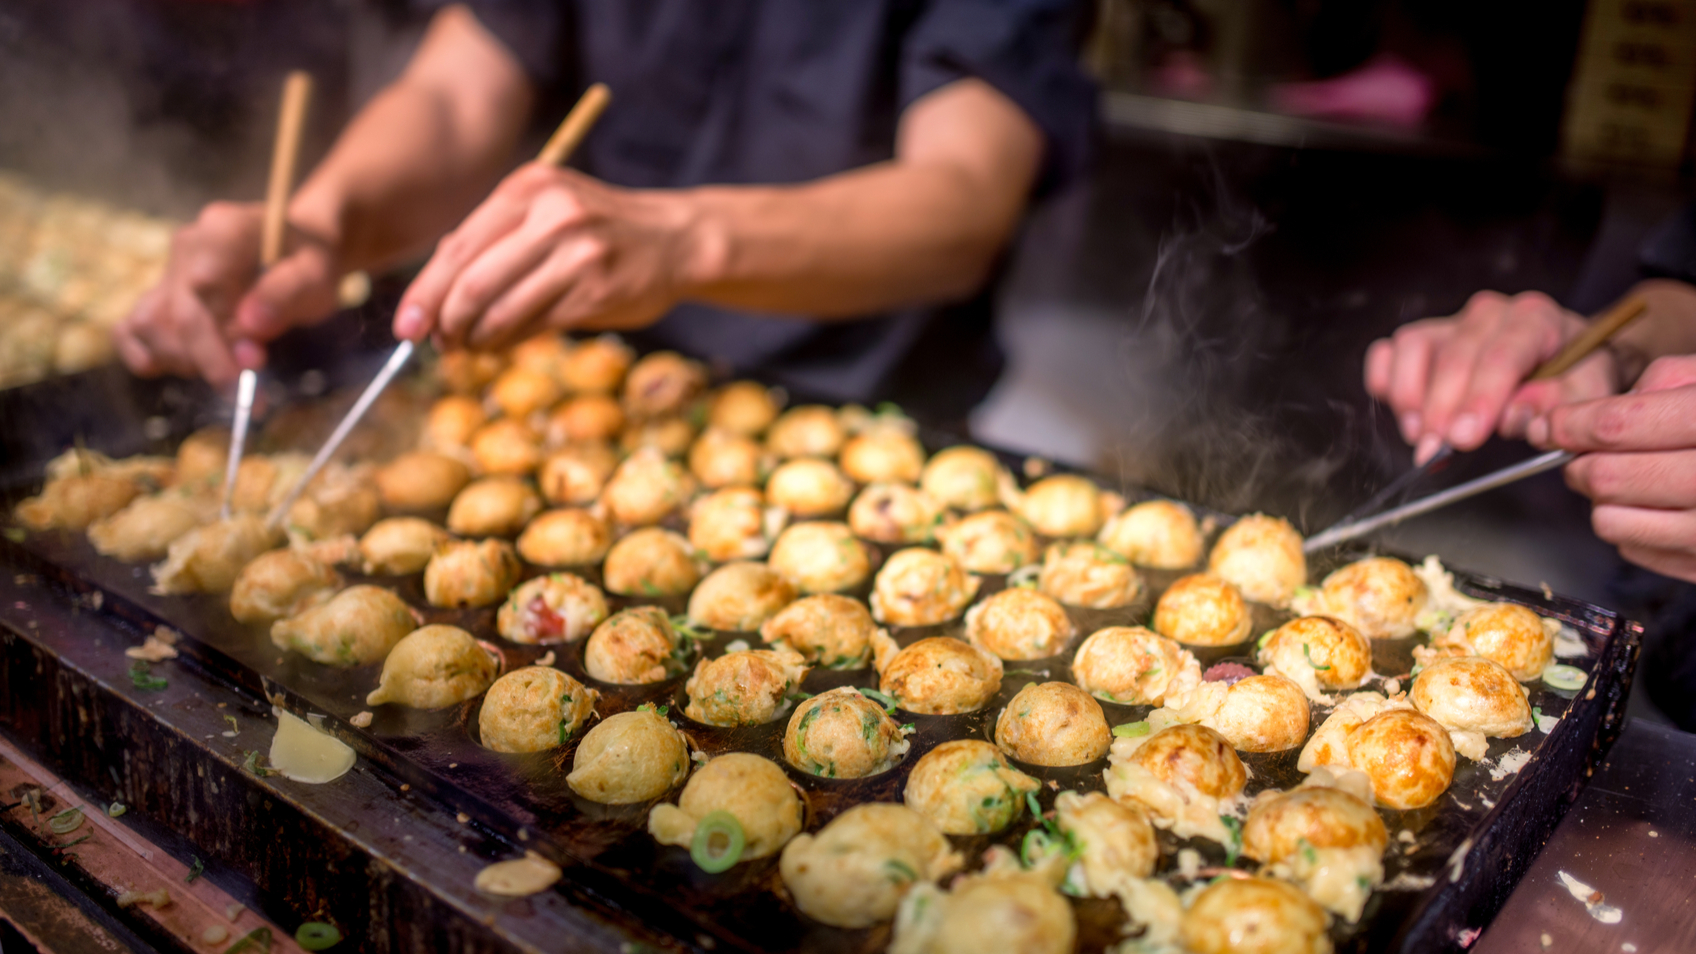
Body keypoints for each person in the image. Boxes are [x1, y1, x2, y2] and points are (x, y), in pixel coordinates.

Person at [115, 1, 1095, 421]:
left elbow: (964, 201)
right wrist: (324, 220)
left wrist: (677, 239)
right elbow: (459, 95)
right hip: (585, 390)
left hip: (856, 401)